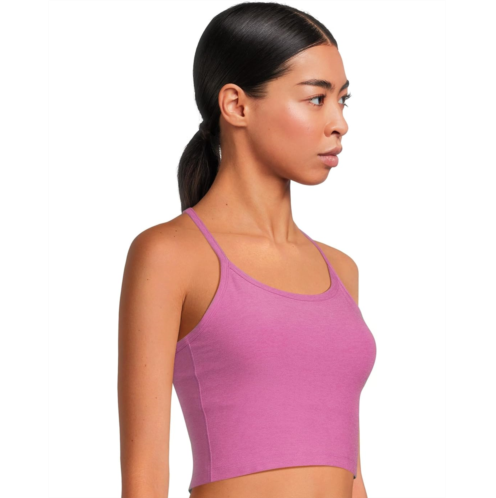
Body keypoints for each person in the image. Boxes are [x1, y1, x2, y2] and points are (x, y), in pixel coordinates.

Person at [118, 3, 377, 498]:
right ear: (237, 105)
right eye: (316, 99)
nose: (340, 123)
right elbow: (144, 478)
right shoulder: (169, 255)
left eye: (343, 100)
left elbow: (352, 475)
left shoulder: (341, 270)